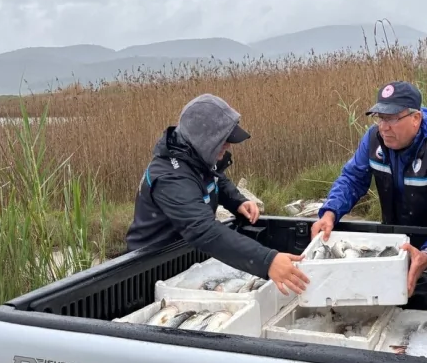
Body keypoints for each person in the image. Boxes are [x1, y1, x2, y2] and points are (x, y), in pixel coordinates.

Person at [125, 93, 309, 295]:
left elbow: (214, 177)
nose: (229, 145)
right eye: (224, 140)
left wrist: (236, 200)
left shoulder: (193, 155)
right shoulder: (170, 178)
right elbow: (204, 230)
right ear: (204, 140)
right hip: (149, 270)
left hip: (186, 260)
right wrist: (268, 261)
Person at [311, 81, 427, 296]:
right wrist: (330, 212)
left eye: (391, 119)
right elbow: (352, 179)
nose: (383, 127)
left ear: (416, 118)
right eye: (380, 117)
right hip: (399, 243)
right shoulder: (374, 140)